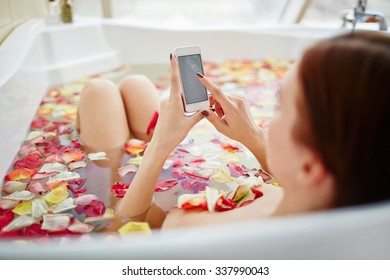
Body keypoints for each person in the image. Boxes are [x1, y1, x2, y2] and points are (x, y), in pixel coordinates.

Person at [77, 31, 390, 229]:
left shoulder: (196, 233)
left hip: (137, 195)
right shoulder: (324, 200)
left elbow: (124, 227)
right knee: (135, 85)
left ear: (310, 166)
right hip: (174, 175)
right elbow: (296, 175)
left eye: (280, 108)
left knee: (99, 91)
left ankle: (111, 162)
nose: (265, 120)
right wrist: (250, 135)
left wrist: (159, 144)